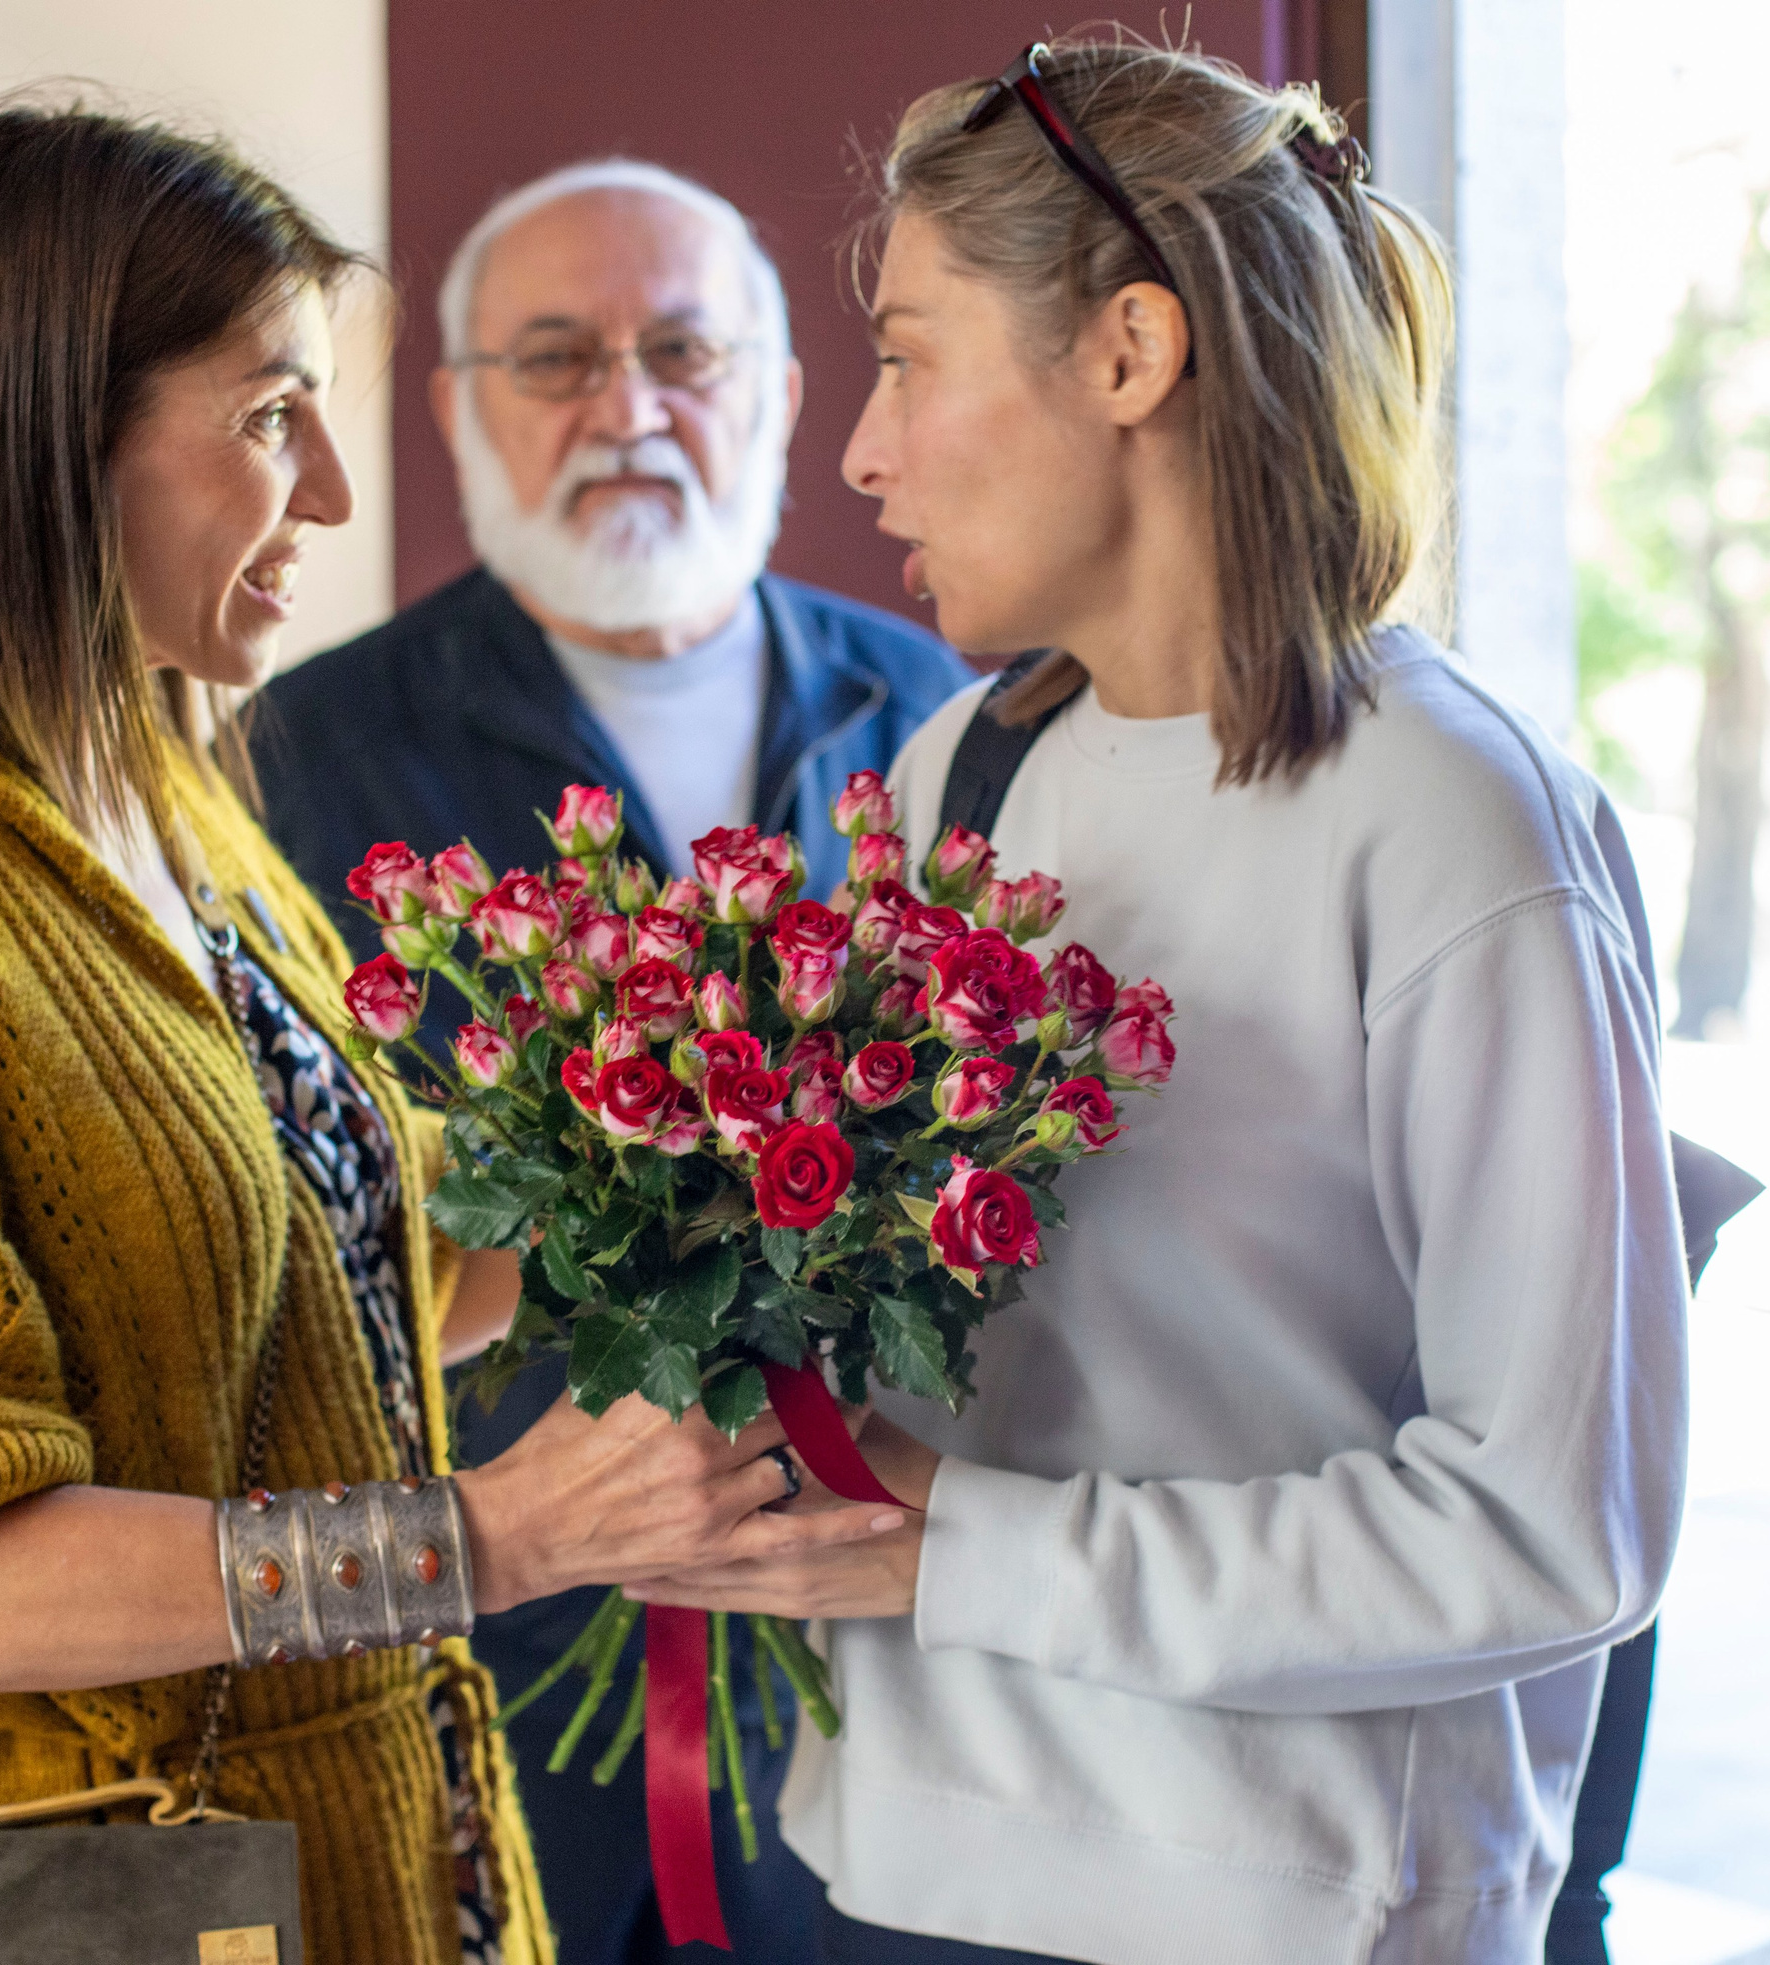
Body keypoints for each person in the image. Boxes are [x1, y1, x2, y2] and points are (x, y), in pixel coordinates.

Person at [0, 108, 897, 1965]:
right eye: (266, 415)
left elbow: (332, 1278)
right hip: (77, 1888)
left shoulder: (174, 792)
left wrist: (646, 1214)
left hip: (375, 1849)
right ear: (46, 432)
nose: (326, 488)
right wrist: (483, 1537)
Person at [628, 40, 1690, 1965]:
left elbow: (1554, 1529)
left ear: (1129, 354)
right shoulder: (959, 773)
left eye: (910, 352)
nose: (860, 452)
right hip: (889, 1876)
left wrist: (965, 1543)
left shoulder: (1453, 823)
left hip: (1272, 1911)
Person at [257, 157, 969, 1964]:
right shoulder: (295, 755)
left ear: (789, 396)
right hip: (495, 1639)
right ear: (455, 409)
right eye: (556, 358)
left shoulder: (953, 726)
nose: (628, 408)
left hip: (878, 1656)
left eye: (683, 351)